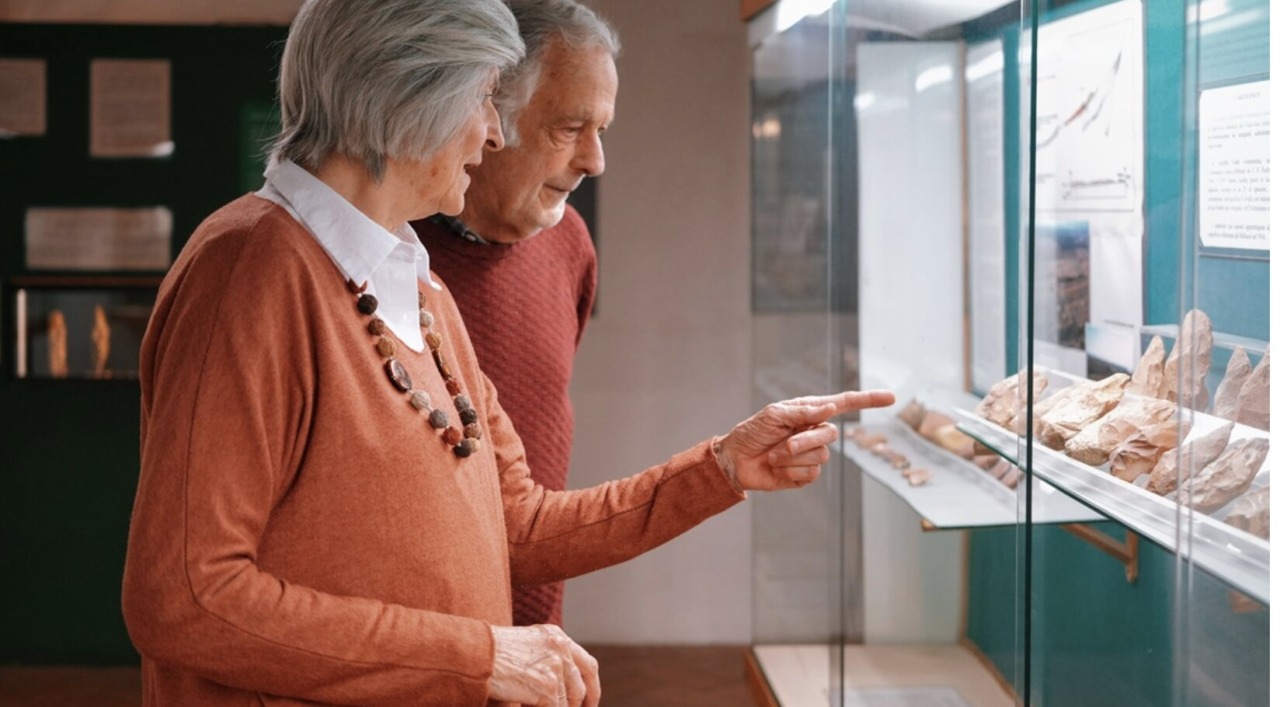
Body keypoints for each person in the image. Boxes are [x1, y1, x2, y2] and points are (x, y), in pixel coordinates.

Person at [121, 0, 895, 705]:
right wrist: (481, 656)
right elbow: (185, 597)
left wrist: (721, 467)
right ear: (406, 97)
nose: (493, 133)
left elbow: (516, 524)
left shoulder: (419, 289)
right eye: (483, 99)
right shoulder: (250, 270)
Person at [410, 0, 616, 629]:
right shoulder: (390, 250)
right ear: (487, 115)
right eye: (569, 128)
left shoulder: (571, 243)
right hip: (430, 639)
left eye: (602, 130)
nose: (594, 161)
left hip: (534, 626)